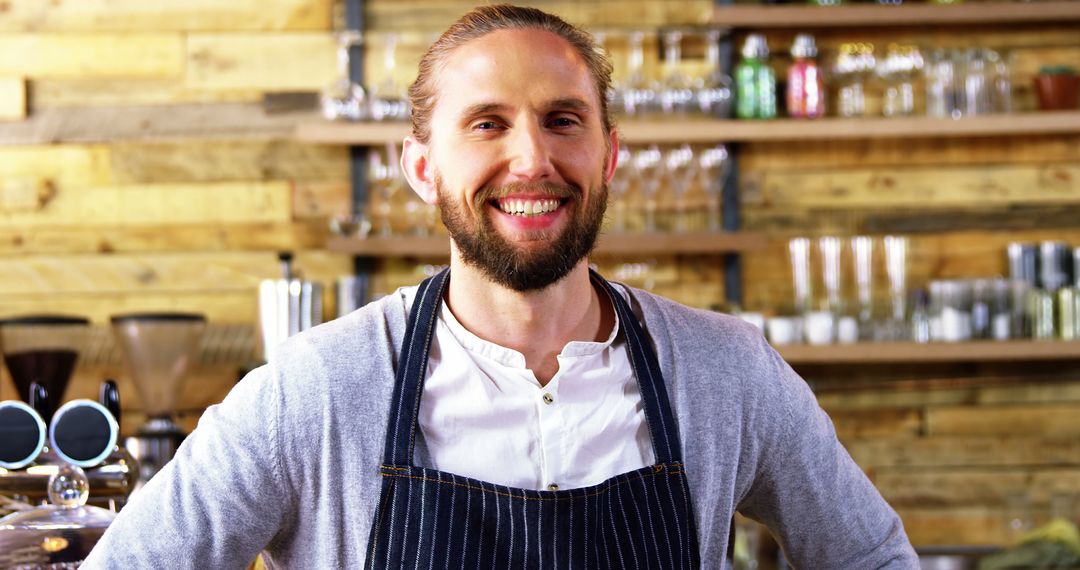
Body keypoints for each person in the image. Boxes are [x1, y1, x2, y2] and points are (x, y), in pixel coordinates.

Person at [85, 5, 918, 569]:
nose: (532, 161)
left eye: (564, 120)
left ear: (609, 155)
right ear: (421, 167)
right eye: (487, 124)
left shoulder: (727, 372)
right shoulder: (318, 390)